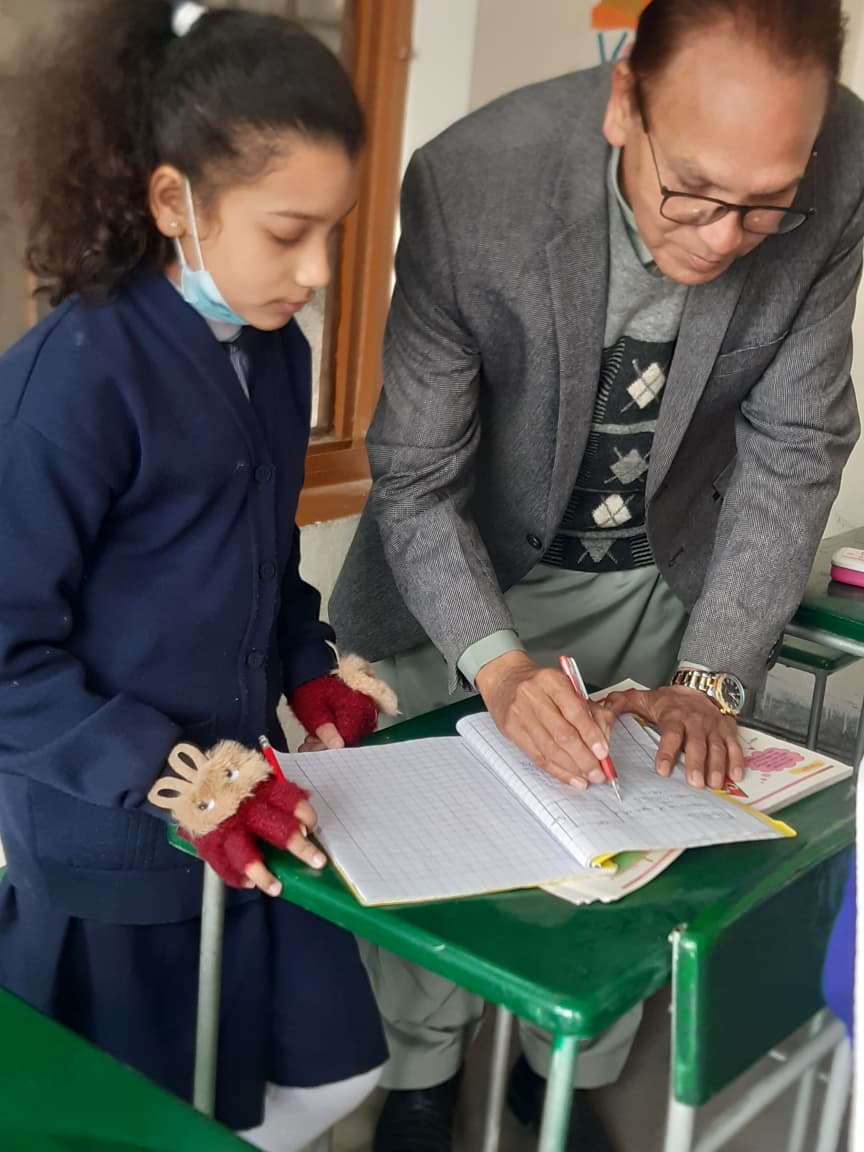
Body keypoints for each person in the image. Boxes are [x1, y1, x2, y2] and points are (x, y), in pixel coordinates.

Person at [329, 0, 864, 1147]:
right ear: (626, 101)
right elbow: (417, 476)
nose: (723, 239)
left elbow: (795, 443)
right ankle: (422, 1079)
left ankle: (563, 1072)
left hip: (656, 574)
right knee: (450, 852)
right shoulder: (476, 185)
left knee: (633, 836)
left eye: (765, 204)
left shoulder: (845, 161)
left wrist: (711, 678)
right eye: (694, 192)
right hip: (471, 571)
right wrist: (497, 665)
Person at [0, 2, 393, 1148]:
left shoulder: (276, 352)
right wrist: (171, 776)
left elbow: (263, 558)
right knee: (139, 1119)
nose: (317, 271)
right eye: (288, 232)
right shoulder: (71, 382)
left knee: (334, 1073)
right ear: (176, 201)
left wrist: (308, 666)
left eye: (334, 231)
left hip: (251, 794)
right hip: (116, 838)